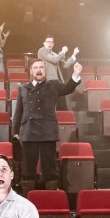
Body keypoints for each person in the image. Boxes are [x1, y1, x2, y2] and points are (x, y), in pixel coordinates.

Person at [12, 57, 82, 192]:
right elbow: (18, 113)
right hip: (28, 133)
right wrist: (15, 132)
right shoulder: (23, 89)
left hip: (47, 133)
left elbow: (68, 88)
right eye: (35, 68)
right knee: (27, 170)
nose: (39, 70)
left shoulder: (53, 86)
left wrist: (76, 74)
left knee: (50, 169)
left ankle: (51, 197)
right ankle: (27, 197)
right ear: (31, 71)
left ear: (45, 70)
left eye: (41, 67)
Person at [36, 34, 79, 111]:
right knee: (50, 107)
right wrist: (63, 51)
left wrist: (74, 54)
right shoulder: (42, 51)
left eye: (51, 42)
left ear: (53, 44)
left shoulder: (55, 54)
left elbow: (65, 65)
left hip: (57, 83)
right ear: (44, 43)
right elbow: (54, 60)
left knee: (62, 106)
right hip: (48, 83)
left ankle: (63, 117)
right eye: (48, 42)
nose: (49, 44)